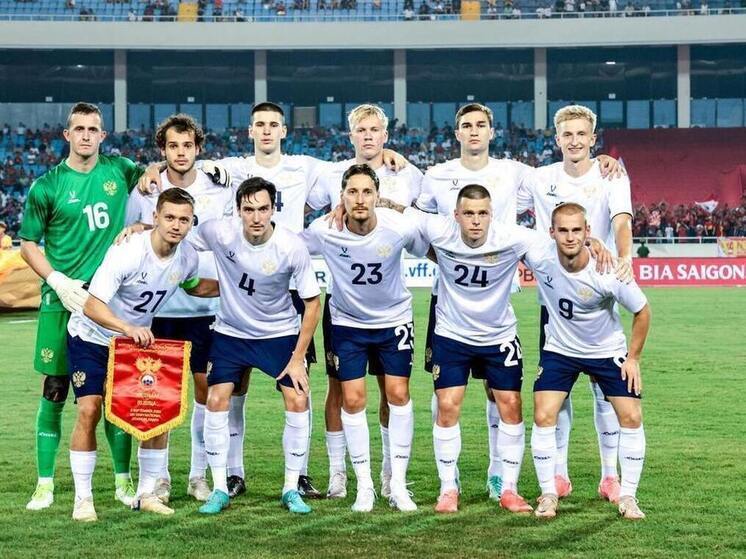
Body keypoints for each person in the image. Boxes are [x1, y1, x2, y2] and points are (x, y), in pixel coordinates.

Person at [186, 102, 406, 500]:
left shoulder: (306, 167)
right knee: (234, 386)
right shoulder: (233, 167)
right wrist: (151, 171)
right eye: (260, 124)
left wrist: (385, 153)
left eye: (274, 124)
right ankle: (233, 472)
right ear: (250, 130)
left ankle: (299, 475)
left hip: (290, 283)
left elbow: (355, 169)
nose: (267, 131)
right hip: (244, 285)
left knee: (299, 385)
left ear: (284, 130)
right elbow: (187, 166)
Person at [414, 102, 622, 504]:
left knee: (502, 398)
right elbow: (414, 225)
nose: (474, 131)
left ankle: (499, 478)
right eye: (467, 125)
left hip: (498, 300)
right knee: (446, 399)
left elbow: (565, 177)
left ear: (492, 131)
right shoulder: (436, 175)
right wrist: (450, 258)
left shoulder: (515, 172)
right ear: (456, 132)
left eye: (481, 125)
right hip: (449, 303)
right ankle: (449, 484)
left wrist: (599, 164)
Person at [19, 102, 145, 511]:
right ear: (67, 135)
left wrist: (139, 224)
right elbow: (28, 244)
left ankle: (123, 481)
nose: (86, 135)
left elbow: (157, 183)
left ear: (103, 135)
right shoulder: (47, 186)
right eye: (79, 129)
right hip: (62, 300)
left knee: (113, 394)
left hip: (107, 302)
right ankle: (44, 484)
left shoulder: (120, 170)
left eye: (93, 129)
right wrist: (56, 280)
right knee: (55, 389)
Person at [305, 104, 423, 500]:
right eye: (361, 130)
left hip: (391, 314)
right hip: (345, 313)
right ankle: (342, 475)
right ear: (351, 135)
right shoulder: (330, 177)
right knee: (340, 392)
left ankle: (392, 477)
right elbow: (296, 225)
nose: (368, 136)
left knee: (395, 392)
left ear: (385, 135)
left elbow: (427, 223)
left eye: (375, 130)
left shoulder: (406, 174)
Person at [65, 188, 203, 521]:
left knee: (157, 415)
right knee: (89, 409)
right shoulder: (128, 251)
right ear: (155, 217)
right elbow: (92, 305)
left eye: (184, 220)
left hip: (133, 346)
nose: (176, 225)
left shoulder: (188, 257)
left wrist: (240, 286)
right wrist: (127, 327)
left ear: (191, 223)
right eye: (169, 217)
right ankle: (83, 500)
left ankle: (146, 495)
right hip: (92, 337)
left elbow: (194, 286)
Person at [519, 104, 633, 503]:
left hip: (601, 293)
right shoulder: (540, 178)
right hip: (554, 298)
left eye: (582, 134)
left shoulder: (611, 174)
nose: (575, 141)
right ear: (556, 139)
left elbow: (621, 219)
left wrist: (624, 258)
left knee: (606, 394)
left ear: (593, 138)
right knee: (557, 392)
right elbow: (496, 193)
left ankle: (609, 476)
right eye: (567, 134)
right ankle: (559, 473)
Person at [189, 177, 321, 515]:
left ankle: (291, 488)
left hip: (278, 333)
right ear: (238, 210)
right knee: (216, 399)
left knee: (298, 398)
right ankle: (220, 487)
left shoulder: (290, 246)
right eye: (249, 210)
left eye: (263, 209)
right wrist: (141, 229)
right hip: (231, 332)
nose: (256, 217)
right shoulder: (219, 232)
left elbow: (312, 303)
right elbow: (179, 235)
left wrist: (297, 359)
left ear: (273, 208)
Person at [123, 114, 234, 503]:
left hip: (206, 309)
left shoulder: (219, 187)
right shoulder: (145, 191)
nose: (181, 152)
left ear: (198, 148)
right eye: (173, 146)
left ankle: (198, 476)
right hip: (159, 311)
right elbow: (131, 237)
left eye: (188, 145)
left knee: (205, 391)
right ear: (163, 150)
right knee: (158, 395)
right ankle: (160, 478)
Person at [526, 202, 650, 520]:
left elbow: (642, 311)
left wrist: (633, 359)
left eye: (577, 230)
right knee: (543, 413)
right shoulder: (539, 256)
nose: (570, 237)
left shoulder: (607, 270)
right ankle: (549, 494)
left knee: (631, 415)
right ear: (551, 232)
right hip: (560, 349)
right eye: (563, 230)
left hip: (606, 351)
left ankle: (628, 496)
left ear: (587, 232)